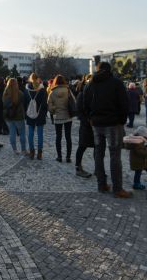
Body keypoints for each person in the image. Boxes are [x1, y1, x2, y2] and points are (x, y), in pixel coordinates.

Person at [83, 62, 132, 198]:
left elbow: (84, 103)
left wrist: (90, 118)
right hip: (113, 123)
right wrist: (122, 120)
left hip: (97, 124)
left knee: (98, 154)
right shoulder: (116, 83)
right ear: (110, 70)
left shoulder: (90, 84)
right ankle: (117, 189)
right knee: (115, 156)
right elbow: (124, 104)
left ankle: (101, 184)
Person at [47, 75, 74, 163]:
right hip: (68, 116)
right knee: (68, 137)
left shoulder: (52, 92)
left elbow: (50, 107)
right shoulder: (68, 90)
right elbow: (74, 101)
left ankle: (59, 157)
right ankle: (68, 157)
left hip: (58, 117)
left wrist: (55, 110)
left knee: (58, 137)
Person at [24, 73, 47, 160]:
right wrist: (44, 114)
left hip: (30, 114)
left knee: (30, 133)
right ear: (38, 79)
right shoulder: (42, 90)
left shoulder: (26, 90)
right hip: (40, 114)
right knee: (40, 133)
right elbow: (45, 104)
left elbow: (24, 102)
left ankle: (32, 152)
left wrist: (26, 113)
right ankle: (39, 153)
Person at [74, 75, 94, 177]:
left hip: (93, 124)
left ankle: (98, 168)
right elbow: (79, 112)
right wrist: (87, 120)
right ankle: (78, 167)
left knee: (97, 147)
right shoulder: (81, 95)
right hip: (86, 125)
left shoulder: (92, 94)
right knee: (82, 146)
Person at [3, 78, 27, 155]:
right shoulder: (20, 93)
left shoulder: (5, 93)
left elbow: (4, 105)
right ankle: (23, 150)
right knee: (22, 133)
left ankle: (15, 150)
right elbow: (24, 104)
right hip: (19, 116)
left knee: (12, 133)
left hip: (8, 116)